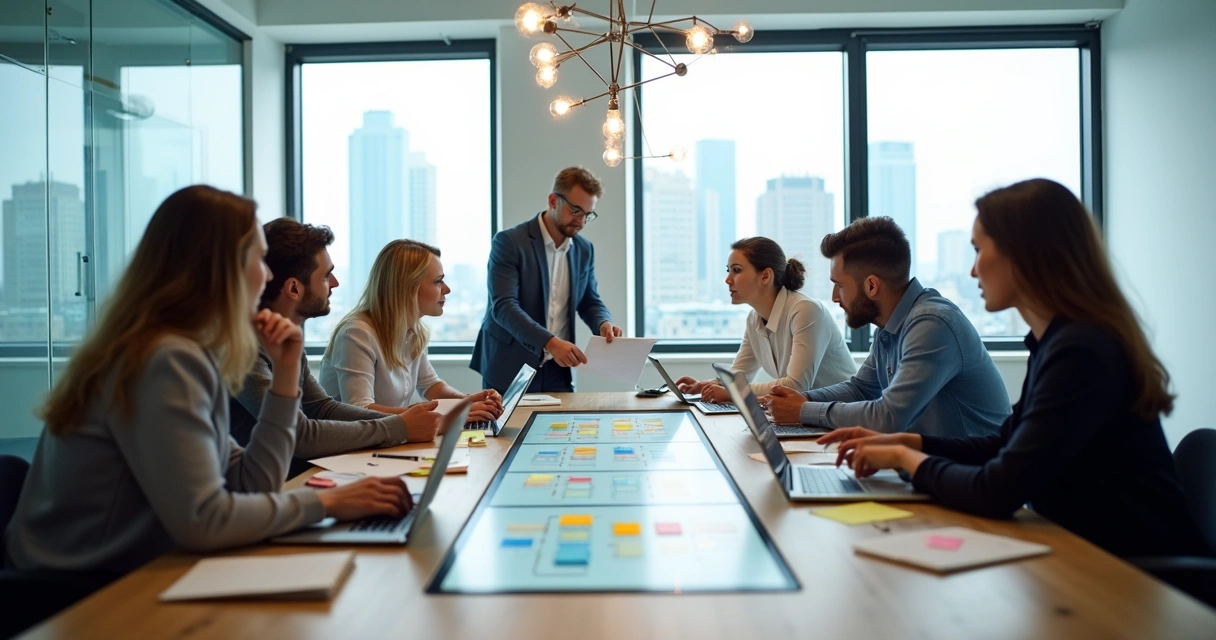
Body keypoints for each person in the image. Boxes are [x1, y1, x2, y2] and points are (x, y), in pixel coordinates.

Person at [5, 186, 413, 575]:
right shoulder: (163, 358)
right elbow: (204, 521)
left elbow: (254, 485)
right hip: (75, 593)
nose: (266, 274)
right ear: (222, 269)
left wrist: (285, 375)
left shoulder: (187, 349)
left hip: (117, 570)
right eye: (259, 258)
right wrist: (327, 502)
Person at [821, 179, 1211, 559]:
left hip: (1141, 580)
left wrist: (909, 461)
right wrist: (911, 444)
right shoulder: (1056, 342)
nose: (972, 271)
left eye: (978, 250)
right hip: (1085, 557)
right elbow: (1003, 442)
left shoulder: (1082, 352)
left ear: (1024, 255)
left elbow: (997, 489)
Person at [766, 216, 1009, 438]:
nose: (834, 297)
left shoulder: (932, 324)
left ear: (872, 286)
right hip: (931, 469)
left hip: (970, 476)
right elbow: (861, 389)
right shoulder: (889, 326)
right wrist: (800, 400)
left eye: (839, 285)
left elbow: (889, 417)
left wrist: (804, 410)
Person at [229, 218, 443, 469]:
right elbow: (300, 435)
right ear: (294, 288)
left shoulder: (284, 336)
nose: (335, 283)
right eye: (325, 276)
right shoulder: (244, 349)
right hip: (265, 485)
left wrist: (410, 422)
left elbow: (322, 408)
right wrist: (399, 427)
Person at [471, 166, 623, 393]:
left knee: (561, 428)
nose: (581, 221)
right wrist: (550, 342)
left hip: (558, 367)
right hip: (510, 364)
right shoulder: (509, 242)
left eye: (587, 214)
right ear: (553, 201)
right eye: (575, 211)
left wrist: (603, 323)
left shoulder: (584, 250)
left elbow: (589, 300)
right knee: (508, 429)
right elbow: (503, 307)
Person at [319, 239, 502, 422]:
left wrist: (464, 401)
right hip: (355, 445)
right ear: (408, 287)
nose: (447, 289)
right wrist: (445, 416)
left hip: (389, 437)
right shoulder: (357, 334)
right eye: (438, 282)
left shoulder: (413, 331)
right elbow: (360, 409)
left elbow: (430, 385)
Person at [676, 237, 855, 404]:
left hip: (841, 414)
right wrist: (706, 386)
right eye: (728, 270)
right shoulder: (754, 318)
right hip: (804, 416)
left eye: (736, 270)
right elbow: (740, 374)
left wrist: (733, 392)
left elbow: (796, 386)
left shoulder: (806, 310)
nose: (728, 280)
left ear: (765, 276)